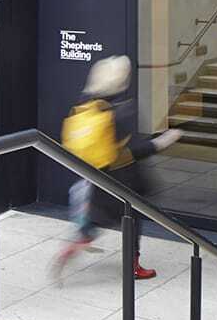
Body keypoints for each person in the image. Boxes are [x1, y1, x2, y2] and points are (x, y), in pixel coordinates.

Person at [54, 55, 183, 280]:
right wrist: (162, 142)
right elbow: (132, 151)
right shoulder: (122, 110)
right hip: (124, 178)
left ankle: (78, 242)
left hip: (100, 175)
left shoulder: (88, 105)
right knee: (132, 218)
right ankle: (133, 265)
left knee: (98, 219)